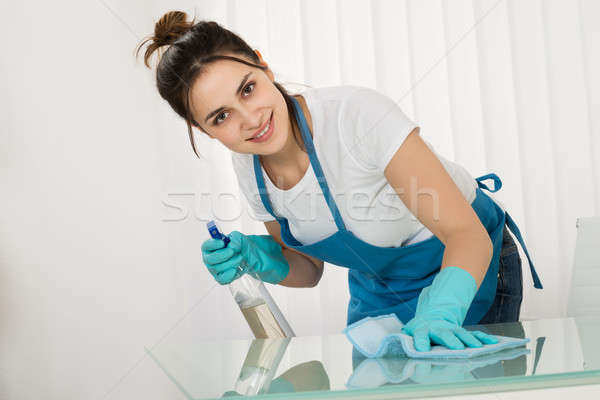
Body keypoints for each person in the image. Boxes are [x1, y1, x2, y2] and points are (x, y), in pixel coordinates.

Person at [137, 11, 543, 351]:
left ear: (263, 65)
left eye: (248, 89)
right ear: (203, 130)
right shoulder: (249, 166)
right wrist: (256, 258)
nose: (250, 120)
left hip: (466, 259)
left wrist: (439, 311)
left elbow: (465, 234)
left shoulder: (357, 117)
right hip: (379, 283)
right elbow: (307, 270)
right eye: (220, 116)